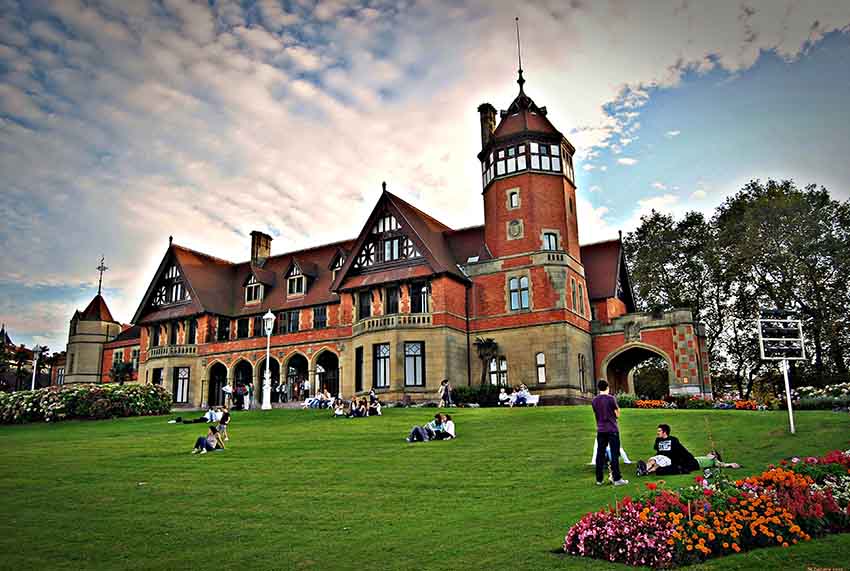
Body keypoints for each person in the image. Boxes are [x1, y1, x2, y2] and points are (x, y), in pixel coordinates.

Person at [591, 380, 629, 486]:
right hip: (612, 429)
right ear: (607, 387)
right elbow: (617, 414)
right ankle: (617, 478)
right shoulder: (611, 399)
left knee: (600, 454)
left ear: (598, 388)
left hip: (601, 430)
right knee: (614, 453)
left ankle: (599, 479)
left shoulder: (594, 400)